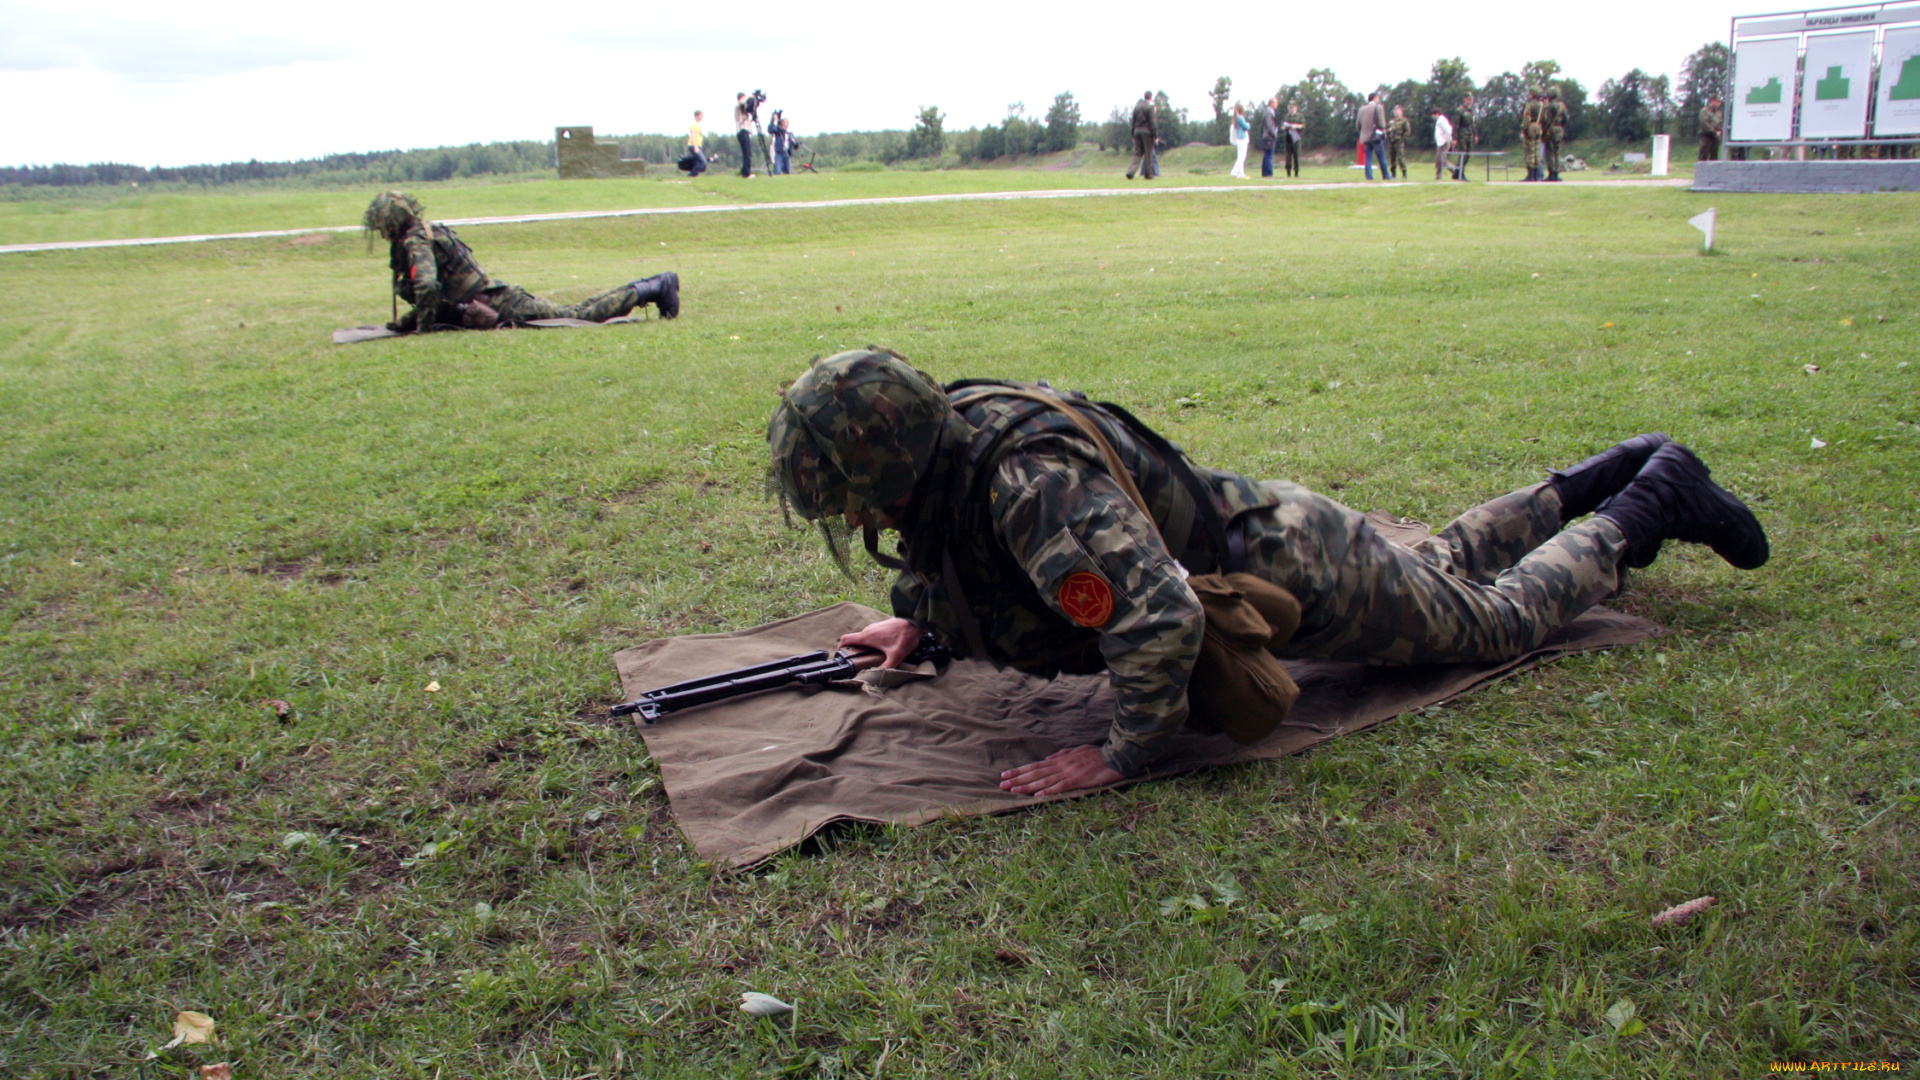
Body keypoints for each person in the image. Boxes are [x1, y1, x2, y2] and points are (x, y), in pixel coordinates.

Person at [767, 351, 1768, 796]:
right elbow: (971, 570)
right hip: (1277, 531)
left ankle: (1651, 502)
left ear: (886, 462)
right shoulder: (956, 450)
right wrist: (921, 627)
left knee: (1495, 622)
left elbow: (1157, 621)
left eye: (852, 497)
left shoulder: (1024, 485)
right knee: (1446, 565)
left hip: (1300, 573)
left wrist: (1123, 753)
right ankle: (1607, 472)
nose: (855, 520)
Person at [361, 192, 680, 331]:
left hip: (496, 303)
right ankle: (650, 286)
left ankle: (654, 287)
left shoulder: (416, 240)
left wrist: (424, 330)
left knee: (578, 317)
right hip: (490, 299)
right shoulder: (425, 232)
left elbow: (428, 286)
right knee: (577, 311)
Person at [1127, 90, 1158, 180]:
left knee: (1137, 153)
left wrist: (1133, 134)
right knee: (1148, 153)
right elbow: (1153, 122)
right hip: (1147, 132)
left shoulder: (1137, 107)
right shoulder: (1150, 107)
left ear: (1144, 97)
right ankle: (1148, 174)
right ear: (1151, 97)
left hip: (1137, 131)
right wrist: (1155, 135)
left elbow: (1133, 121)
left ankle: (1130, 172)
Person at [1357, 93, 1389, 180]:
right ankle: (1386, 175)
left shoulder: (1361, 109)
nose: (1379, 100)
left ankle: (1369, 176)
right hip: (1376, 137)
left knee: (1368, 158)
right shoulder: (1379, 107)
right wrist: (1383, 129)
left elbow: (1358, 125)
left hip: (1365, 137)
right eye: (1378, 98)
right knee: (1381, 156)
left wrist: (1363, 132)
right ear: (1375, 98)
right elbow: (1382, 124)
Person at [1521, 86, 1546, 182]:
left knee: (1530, 151)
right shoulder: (1541, 105)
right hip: (1539, 127)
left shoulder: (1530, 105)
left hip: (1531, 127)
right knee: (1536, 151)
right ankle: (1536, 175)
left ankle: (1530, 175)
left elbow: (1526, 118)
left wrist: (1524, 129)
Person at [1542, 88, 1568, 182]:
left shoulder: (1549, 106)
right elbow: (1566, 118)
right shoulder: (1562, 105)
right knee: (1557, 152)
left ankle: (1551, 173)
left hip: (1551, 130)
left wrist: (1545, 130)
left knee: (1550, 152)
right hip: (1559, 129)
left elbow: (1546, 120)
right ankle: (1557, 173)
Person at [734, 93, 756, 179]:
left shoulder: (742, 107)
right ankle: (746, 173)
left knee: (746, 153)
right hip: (742, 130)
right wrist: (751, 96)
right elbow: (742, 102)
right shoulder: (738, 106)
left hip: (743, 131)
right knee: (747, 153)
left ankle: (744, 171)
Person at [1432, 106, 1456, 182]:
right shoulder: (1440, 120)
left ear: (1436, 114)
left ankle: (1456, 170)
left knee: (1441, 160)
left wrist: (1449, 140)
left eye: (1433, 115)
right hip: (1441, 143)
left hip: (1444, 143)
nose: (1432, 117)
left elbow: (1449, 130)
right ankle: (1438, 176)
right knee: (1439, 161)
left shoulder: (1441, 120)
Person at [1386, 105, 1411, 179]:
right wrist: (1388, 131)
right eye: (1395, 111)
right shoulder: (1391, 121)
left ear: (1401, 112)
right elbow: (1387, 130)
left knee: (1400, 157)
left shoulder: (1404, 121)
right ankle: (1393, 173)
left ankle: (1404, 173)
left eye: (1397, 111)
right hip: (1391, 140)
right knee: (1392, 158)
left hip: (1399, 141)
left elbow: (1407, 131)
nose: (1396, 112)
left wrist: (1402, 138)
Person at [1257, 98, 1279, 178]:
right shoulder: (1268, 113)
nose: (1277, 104)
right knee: (1269, 155)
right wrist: (1275, 134)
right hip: (1269, 136)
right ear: (1271, 103)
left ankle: (1266, 173)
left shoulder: (1268, 112)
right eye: (1276, 103)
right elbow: (1269, 125)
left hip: (1268, 136)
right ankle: (1268, 173)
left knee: (1267, 155)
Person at [1229, 103, 1251, 179]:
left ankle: (1234, 171)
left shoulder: (1236, 118)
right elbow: (1246, 127)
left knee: (1240, 157)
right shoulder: (1240, 118)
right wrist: (1248, 124)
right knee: (1242, 157)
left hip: (1239, 139)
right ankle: (1241, 173)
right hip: (1242, 138)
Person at [1699, 96, 1724, 162]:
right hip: (1706, 136)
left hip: (1715, 137)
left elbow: (1720, 122)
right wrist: (1713, 132)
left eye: (1720, 102)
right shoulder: (1705, 111)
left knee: (1714, 157)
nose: (1719, 104)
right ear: (1713, 101)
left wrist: (1720, 131)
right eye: (1717, 102)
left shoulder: (1719, 112)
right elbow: (1704, 123)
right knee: (1703, 156)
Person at [769, 111, 794, 175]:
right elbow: (771, 130)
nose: (788, 123)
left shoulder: (790, 133)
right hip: (779, 153)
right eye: (786, 121)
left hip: (787, 154)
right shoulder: (778, 131)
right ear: (782, 122)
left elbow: (795, 145)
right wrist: (775, 120)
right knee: (777, 171)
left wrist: (794, 142)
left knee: (787, 172)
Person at [1283, 103, 1304, 177]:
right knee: (1288, 155)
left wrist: (1296, 126)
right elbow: (1283, 125)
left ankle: (1296, 172)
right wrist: (1285, 127)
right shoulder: (1287, 116)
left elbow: (1302, 125)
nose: (1291, 109)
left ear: (1296, 108)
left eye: (1292, 107)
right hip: (1288, 137)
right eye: (1290, 107)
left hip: (1296, 138)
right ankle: (1288, 171)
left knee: (1296, 155)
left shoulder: (1299, 116)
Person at [686, 110, 709, 177]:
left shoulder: (697, 124)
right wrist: (696, 147)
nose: (702, 117)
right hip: (694, 146)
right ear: (697, 115)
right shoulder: (694, 125)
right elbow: (692, 136)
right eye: (701, 115)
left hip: (697, 145)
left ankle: (694, 175)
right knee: (703, 161)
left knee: (697, 161)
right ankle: (692, 174)